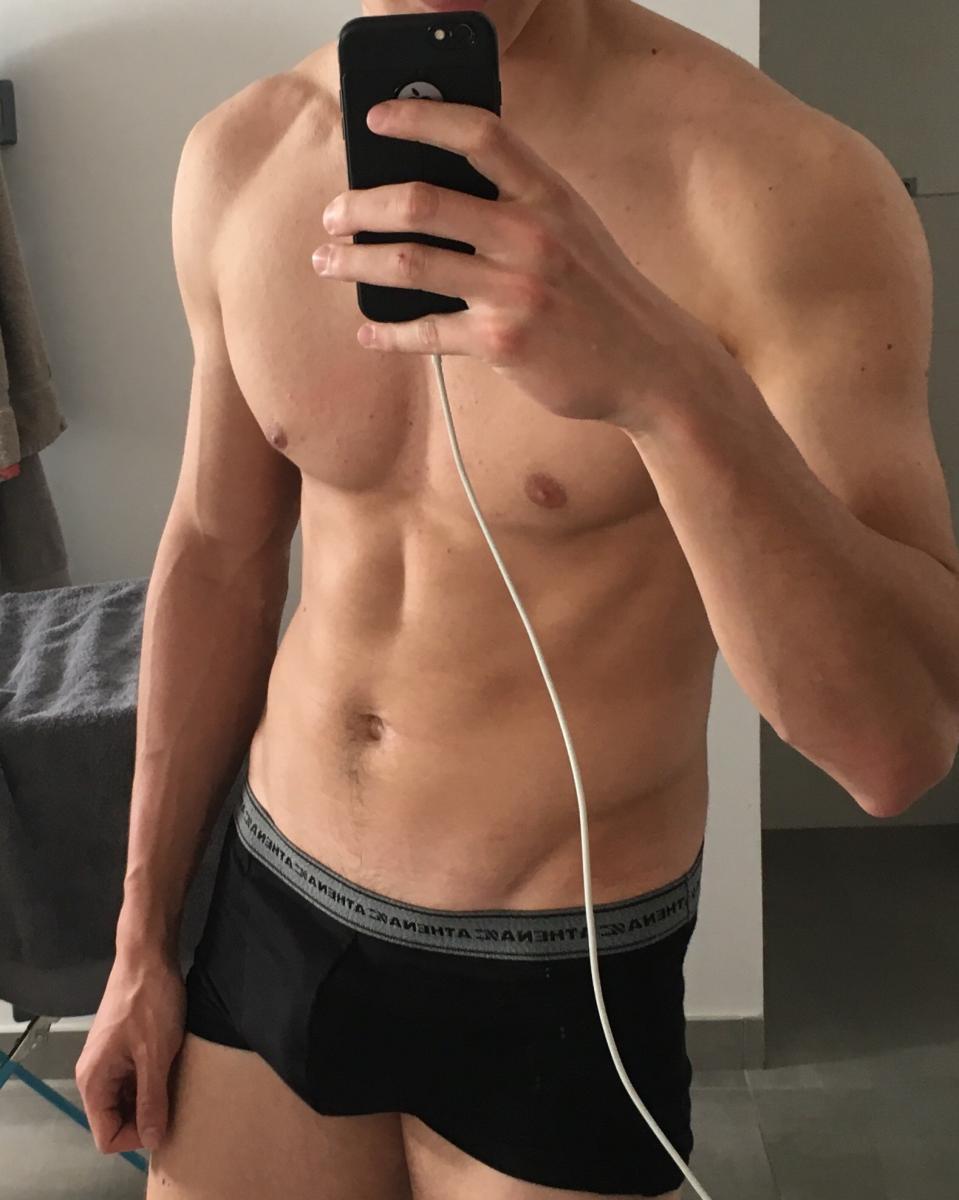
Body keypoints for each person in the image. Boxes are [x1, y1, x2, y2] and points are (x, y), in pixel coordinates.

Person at [74, 0, 959, 1197]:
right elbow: (218, 554)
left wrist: (664, 385)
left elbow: (895, 745)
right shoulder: (243, 156)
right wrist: (140, 938)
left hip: (557, 969)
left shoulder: (775, 183)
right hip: (275, 902)